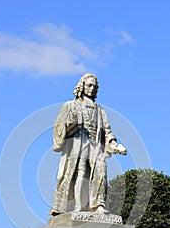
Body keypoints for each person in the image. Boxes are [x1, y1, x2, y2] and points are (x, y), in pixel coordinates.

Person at [49, 73, 126, 216]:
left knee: (101, 170)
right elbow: (59, 128)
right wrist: (70, 124)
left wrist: (115, 145)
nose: (92, 88)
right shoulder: (70, 106)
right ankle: (77, 206)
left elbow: (107, 132)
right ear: (82, 86)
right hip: (77, 144)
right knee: (80, 173)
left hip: (95, 145)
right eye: (89, 85)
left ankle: (98, 204)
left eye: (95, 86)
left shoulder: (100, 110)